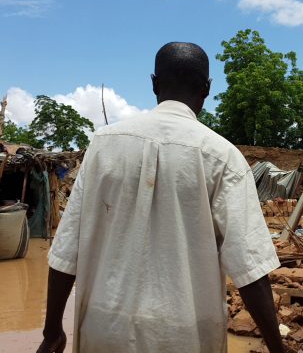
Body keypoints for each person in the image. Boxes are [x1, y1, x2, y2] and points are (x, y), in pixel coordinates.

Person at [37, 42, 284, 353]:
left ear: (154, 83)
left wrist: (52, 331)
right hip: (185, 337)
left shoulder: (103, 145)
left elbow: (66, 250)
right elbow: (250, 271)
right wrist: (277, 348)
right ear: (206, 89)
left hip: (104, 330)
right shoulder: (222, 157)